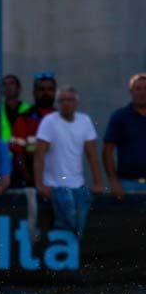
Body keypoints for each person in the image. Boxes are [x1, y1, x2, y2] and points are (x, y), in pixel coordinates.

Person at [34, 86, 104, 240]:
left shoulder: (84, 121)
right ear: (58, 102)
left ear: (76, 102)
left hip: (78, 186)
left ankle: (68, 258)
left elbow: (92, 154)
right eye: (63, 100)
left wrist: (98, 182)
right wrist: (40, 184)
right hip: (55, 186)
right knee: (65, 226)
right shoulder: (49, 121)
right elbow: (39, 154)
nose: (66, 103)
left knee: (78, 226)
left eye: (70, 100)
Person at [102, 73, 146, 200]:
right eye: (138, 89)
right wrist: (113, 181)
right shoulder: (120, 117)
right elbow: (107, 151)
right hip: (127, 184)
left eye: (145, 88)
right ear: (131, 92)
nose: (142, 92)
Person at [9, 72, 56, 187]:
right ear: (34, 93)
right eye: (41, 89)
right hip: (31, 176)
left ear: (55, 92)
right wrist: (29, 179)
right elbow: (18, 154)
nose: (46, 93)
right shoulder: (24, 118)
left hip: (57, 177)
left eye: (50, 89)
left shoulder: (61, 118)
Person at [0, 74, 32, 143]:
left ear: (19, 88)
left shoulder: (29, 109)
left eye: (11, 83)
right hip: (3, 152)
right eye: (5, 84)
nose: (8, 87)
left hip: (23, 152)